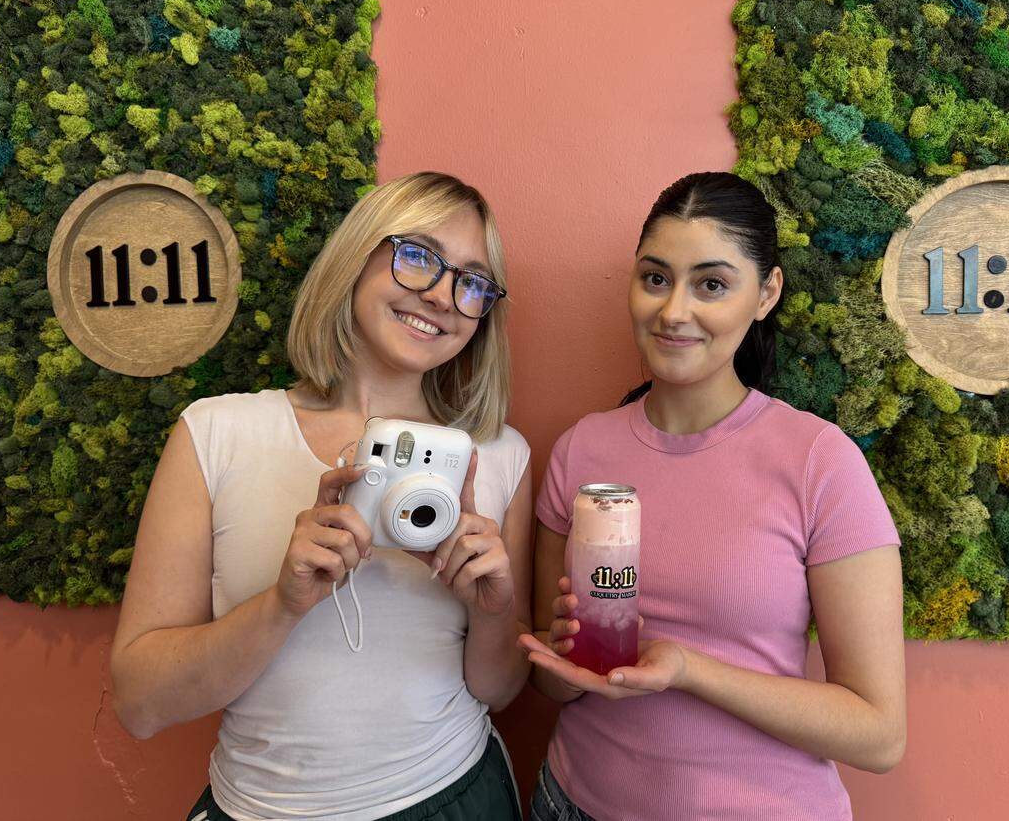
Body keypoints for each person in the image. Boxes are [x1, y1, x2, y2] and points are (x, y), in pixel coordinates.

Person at [111, 172, 532, 821]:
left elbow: (500, 690)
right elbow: (141, 704)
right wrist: (283, 603)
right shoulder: (216, 433)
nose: (444, 296)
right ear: (357, 258)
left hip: (451, 796)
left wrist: (494, 609)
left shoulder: (500, 456)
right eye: (418, 256)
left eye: (472, 282)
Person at [520, 171, 906, 820]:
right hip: (572, 803)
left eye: (711, 284)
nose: (674, 312)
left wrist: (689, 670)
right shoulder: (581, 450)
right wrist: (561, 660)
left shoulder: (819, 462)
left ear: (766, 293)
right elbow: (551, 682)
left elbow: (879, 735)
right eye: (655, 278)